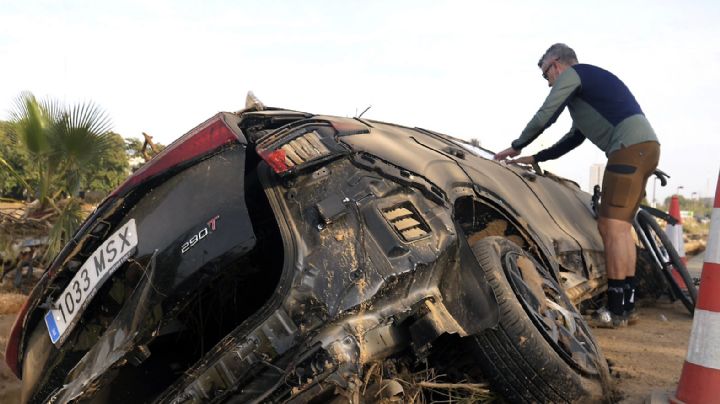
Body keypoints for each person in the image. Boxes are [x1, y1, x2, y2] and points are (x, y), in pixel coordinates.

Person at [494, 43, 660, 328]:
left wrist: (515, 146)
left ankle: (616, 310)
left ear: (556, 65)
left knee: (612, 228)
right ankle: (627, 306)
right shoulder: (588, 93)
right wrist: (535, 157)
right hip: (645, 148)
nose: (548, 83)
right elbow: (573, 138)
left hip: (628, 149)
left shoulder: (575, 75)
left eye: (547, 75)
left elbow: (547, 113)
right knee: (622, 228)